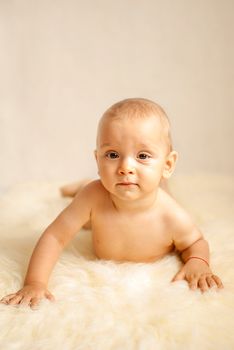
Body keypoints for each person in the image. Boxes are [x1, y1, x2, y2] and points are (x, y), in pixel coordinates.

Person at [0, 98, 223, 308]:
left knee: (158, 189)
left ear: (168, 164)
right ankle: (81, 185)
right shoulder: (93, 196)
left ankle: (150, 180)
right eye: (113, 154)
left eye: (143, 156)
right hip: (100, 198)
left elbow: (195, 241)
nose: (125, 166)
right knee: (92, 194)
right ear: (98, 160)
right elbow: (55, 236)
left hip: (153, 195)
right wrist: (35, 283)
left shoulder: (171, 215)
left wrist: (197, 261)